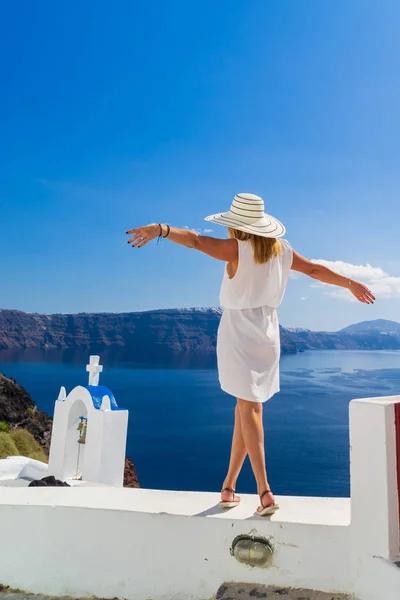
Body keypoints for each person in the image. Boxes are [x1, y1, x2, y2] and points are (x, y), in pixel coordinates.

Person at [126, 193, 375, 516]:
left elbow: (196, 241)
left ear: (236, 225)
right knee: (246, 408)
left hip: (238, 331)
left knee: (250, 408)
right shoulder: (282, 250)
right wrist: (350, 283)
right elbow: (313, 270)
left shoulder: (236, 249)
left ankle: (264, 491)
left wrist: (160, 229)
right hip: (268, 330)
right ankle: (228, 486)